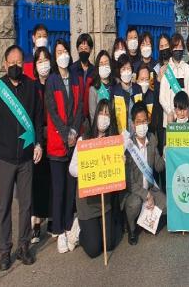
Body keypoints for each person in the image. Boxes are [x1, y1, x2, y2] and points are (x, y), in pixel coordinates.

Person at [0, 45, 44, 270]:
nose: (16, 66)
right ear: (4, 64)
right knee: (5, 206)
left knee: (26, 205)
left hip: (27, 157)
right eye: (12, 63)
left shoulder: (31, 87)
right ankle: (4, 251)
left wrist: (38, 143)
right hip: (6, 158)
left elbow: (37, 117)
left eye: (19, 63)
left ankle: (23, 246)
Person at [68, 99, 123, 258]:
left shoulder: (112, 142)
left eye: (107, 114)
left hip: (104, 202)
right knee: (94, 250)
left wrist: (120, 162)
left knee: (109, 245)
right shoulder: (84, 140)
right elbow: (72, 169)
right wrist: (88, 170)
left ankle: (96, 230)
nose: (104, 117)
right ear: (96, 115)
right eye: (101, 112)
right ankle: (79, 230)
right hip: (87, 203)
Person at [45, 39, 83, 253]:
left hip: (73, 142)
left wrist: (74, 131)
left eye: (65, 51)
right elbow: (52, 110)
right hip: (57, 144)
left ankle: (69, 226)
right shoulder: (52, 80)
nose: (63, 55)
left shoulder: (75, 78)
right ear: (55, 56)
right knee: (58, 190)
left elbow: (79, 108)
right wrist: (65, 132)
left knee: (70, 189)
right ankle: (59, 230)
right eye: (59, 52)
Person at [123, 101, 166, 246]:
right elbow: (129, 182)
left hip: (150, 187)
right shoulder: (128, 146)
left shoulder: (152, 138)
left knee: (167, 206)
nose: (142, 125)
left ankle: (145, 219)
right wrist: (146, 195)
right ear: (133, 124)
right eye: (138, 122)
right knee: (134, 204)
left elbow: (158, 167)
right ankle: (131, 228)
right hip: (134, 192)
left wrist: (165, 156)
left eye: (144, 121)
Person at [31, 46, 52, 243]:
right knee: (38, 180)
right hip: (38, 138)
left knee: (52, 179)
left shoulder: (55, 82)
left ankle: (52, 217)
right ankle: (36, 221)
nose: (43, 64)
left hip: (54, 137)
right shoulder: (32, 87)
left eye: (46, 60)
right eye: (40, 60)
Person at [159, 33, 189, 127]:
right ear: (171, 49)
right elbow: (162, 97)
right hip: (170, 119)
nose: (178, 50)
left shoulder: (187, 68)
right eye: (175, 47)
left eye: (180, 47)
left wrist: (186, 110)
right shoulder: (166, 69)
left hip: (186, 118)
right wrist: (170, 112)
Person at [111, 54, 143, 135]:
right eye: (123, 69)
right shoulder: (115, 91)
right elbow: (112, 116)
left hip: (137, 133)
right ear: (119, 71)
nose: (126, 72)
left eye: (128, 68)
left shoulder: (138, 89)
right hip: (120, 134)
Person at [70, 33, 95, 126]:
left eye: (86, 49)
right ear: (77, 49)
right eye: (81, 49)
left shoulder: (94, 71)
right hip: (74, 116)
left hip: (89, 116)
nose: (83, 51)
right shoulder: (72, 69)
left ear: (91, 50)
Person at [88, 50, 114, 121]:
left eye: (106, 63)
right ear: (97, 67)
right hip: (100, 126)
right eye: (101, 64)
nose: (104, 66)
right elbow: (93, 115)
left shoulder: (116, 83)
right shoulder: (93, 89)